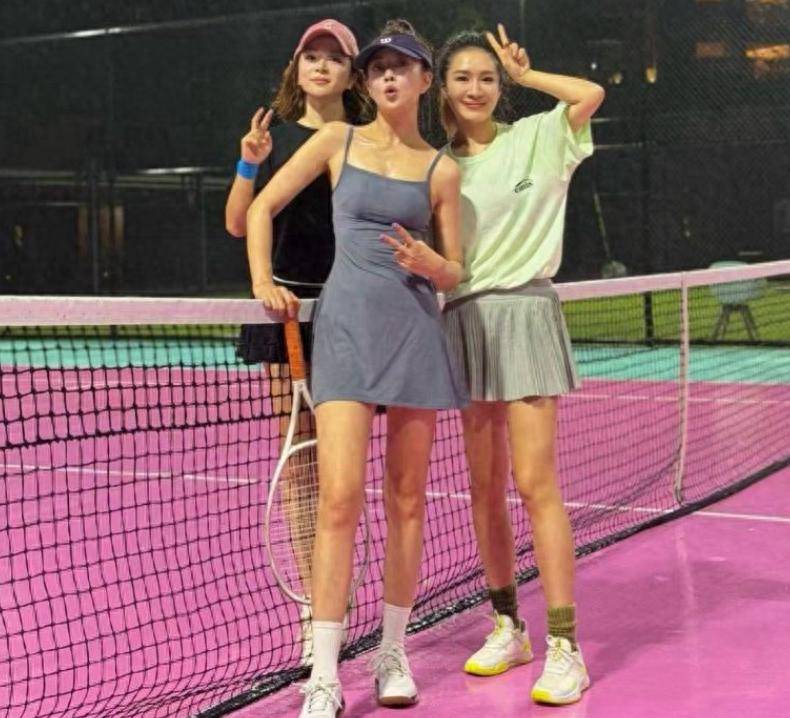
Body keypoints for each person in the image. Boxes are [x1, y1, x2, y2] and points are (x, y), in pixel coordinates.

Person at [247, 19, 467, 718]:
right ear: (367, 82)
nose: (389, 76)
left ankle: (392, 652)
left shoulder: (442, 170)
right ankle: (323, 671)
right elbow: (261, 207)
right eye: (377, 69)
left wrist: (435, 265)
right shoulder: (335, 141)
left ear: (425, 81)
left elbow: (456, 271)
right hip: (343, 332)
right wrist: (262, 280)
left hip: (413, 335)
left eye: (402, 67)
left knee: (407, 500)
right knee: (339, 499)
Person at [437, 24, 604, 705]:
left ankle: (566, 647)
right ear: (443, 89)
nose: (475, 88)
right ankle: (508, 625)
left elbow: (589, 95)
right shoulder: (437, 166)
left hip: (527, 313)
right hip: (463, 320)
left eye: (486, 77)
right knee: (484, 488)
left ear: (500, 85)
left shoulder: (537, 135)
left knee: (536, 483)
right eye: (462, 78)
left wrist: (529, 76)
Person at [224, 19, 367, 662]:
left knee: (345, 468)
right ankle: (314, 605)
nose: (322, 66)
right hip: (287, 313)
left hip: (352, 314)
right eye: (312, 56)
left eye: (335, 58)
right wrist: (248, 164)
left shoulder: (366, 140)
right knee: (303, 462)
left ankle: (334, 588)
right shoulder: (272, 139)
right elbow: (239, 222)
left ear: (351, 74)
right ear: (297, 67)